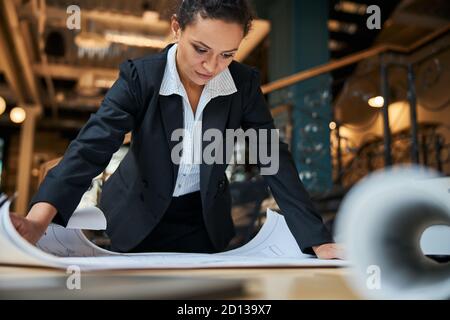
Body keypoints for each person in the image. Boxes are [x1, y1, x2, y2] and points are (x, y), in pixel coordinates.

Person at [10, 0, 343, 259]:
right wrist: (39, 220)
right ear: (176, 29)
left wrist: (318, 240)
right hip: (134, 212)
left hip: (202, 219)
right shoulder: (141, 79)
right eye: (201, 49)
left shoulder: (243, 86)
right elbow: (90, 147)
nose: (212, 67)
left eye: (227, 54)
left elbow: (273, 160)